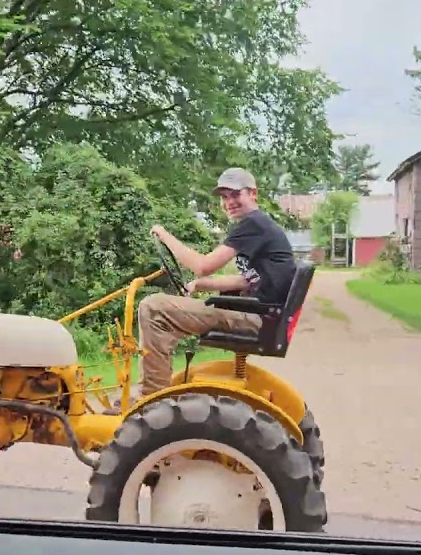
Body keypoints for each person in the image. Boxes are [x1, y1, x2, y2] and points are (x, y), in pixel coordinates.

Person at [105, 167, 296, 414]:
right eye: (224, 197)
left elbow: (202, 265)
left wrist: (164, 236)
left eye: (235, 195)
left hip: (259, 318)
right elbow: (248, 281)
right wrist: (200, 285)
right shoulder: (258, 226)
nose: (229, 202)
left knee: (153, 308)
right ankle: (158, 387)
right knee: (164, 313)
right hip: (263, 314)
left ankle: (150, 398)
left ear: (253, 194)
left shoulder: (254, 224)